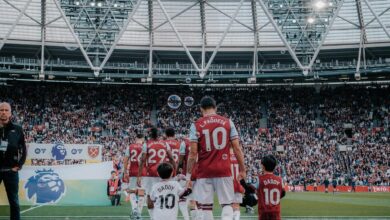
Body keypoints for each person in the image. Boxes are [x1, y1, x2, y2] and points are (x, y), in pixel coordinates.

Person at [186, 96, 246, 220]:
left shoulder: (195, 125)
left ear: (201, 109)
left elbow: (192, 153)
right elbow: (237, 148)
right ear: (215, 107)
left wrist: (188, 176)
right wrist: (243, 169)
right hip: (223, 169)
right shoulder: (228, 122)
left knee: (206, 207)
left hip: (204, 171)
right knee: (227, 204)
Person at [137, 127, 175, 219]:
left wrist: (139, 176)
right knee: (163, 195)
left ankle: (153, 217)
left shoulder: (147, 144)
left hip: (150, 174)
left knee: (150, 196)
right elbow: (171, 158)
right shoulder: (165, 144)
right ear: (158, 135)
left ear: (150, 135)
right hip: (163, 173)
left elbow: (142, 161)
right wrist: (174, 171)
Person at [0, 102, 27, 220]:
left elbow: (24, 149)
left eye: (6, 110)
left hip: (11, 171)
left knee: (14, 203)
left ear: (10, 113)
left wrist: (19, 165)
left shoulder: (17, 129)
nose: (4, 112)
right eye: (1, 110)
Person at [123, 133, 146, 219]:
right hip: (143, 172)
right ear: (143, 139)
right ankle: (139, 213)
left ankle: (134, 209)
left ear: (136, 138)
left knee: (131, 191)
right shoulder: (145, 146)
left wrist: (125, 172)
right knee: (141, 192)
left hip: (132, 171)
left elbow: (125, 160)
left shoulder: (130, 146)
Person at [257, 155, 286, 220]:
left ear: (263, 166)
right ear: (275, 167)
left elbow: (250, 189)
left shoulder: (259, 179)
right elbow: (283, 193)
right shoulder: (280, 180)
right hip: (276, 212)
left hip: (264, 212)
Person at [230, 149, 245, 220]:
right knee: (236, 206)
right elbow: (244, 172)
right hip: (238, 184)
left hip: (228, 185)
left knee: (228, 206)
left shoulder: (226, 155)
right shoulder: (239, 155)